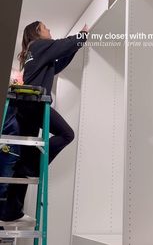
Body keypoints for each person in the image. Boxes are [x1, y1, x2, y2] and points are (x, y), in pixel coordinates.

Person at [0, 20, 88, 222]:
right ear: (37, 32)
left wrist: (76, 46)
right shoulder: (40, 45)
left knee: (20, 160)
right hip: (35, 104)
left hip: (26, 108)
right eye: (46, 27)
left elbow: (58, 64)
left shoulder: (33, 52)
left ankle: (10, 211)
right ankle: (31, 165)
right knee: (67, 134)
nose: (49, 30)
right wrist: (82, 34)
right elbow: (64, 45)